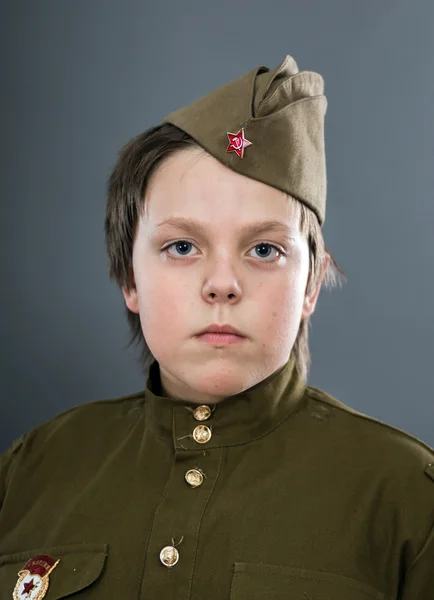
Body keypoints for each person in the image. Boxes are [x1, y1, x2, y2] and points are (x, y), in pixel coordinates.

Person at [1, 54, 433, 600]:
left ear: (310, 286)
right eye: (182, 247)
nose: (222, 284)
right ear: (127, 276)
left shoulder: (405, 498)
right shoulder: (31, 474)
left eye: (264, 249)